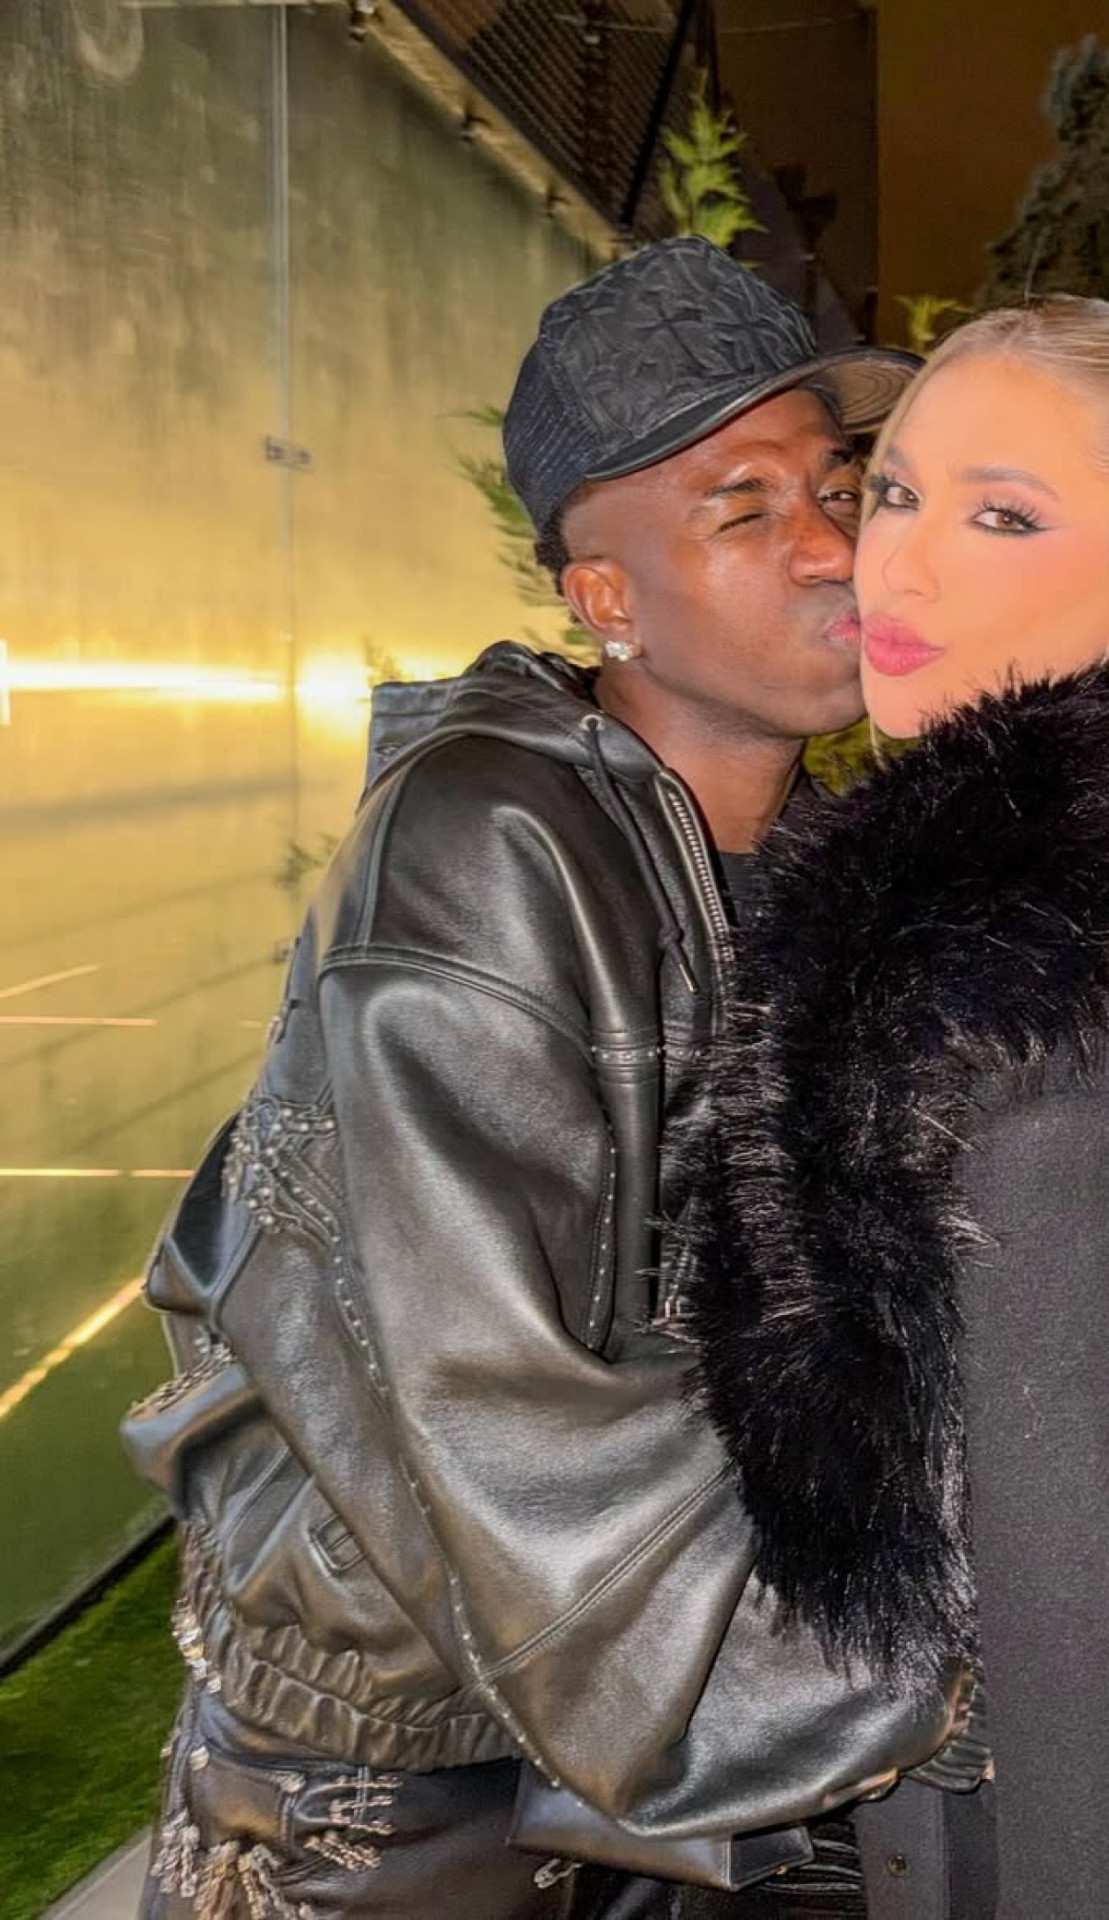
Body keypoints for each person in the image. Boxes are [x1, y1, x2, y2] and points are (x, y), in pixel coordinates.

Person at [122, 238, 974, 1920]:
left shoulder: (824, 857)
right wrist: (913, 1674)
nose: (831, 550)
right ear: (605, 602)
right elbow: (491, 1392)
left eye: (839, 489)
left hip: (658, 1730)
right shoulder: (484, 837)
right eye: (743, 510)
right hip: (411, 1764)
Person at [691, 292, 1109, 1918]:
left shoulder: (1045, 1079)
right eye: (895, 492)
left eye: (1003, 516)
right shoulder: (991, 983)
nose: (893, 567)